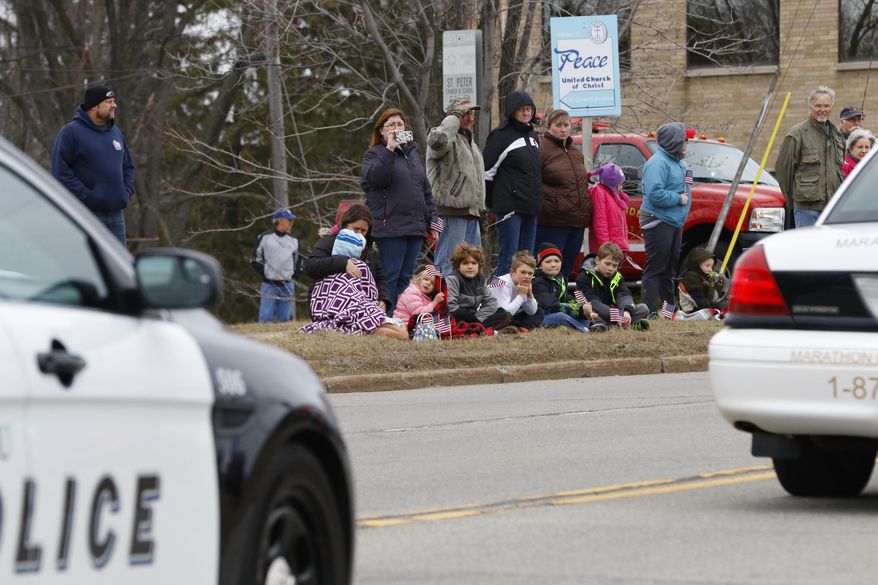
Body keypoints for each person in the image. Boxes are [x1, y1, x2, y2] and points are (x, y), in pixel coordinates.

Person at [362, 108, 438, 313]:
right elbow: (375, 179)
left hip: (415, 227)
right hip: (390, 226)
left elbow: (425, 190)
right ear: (381, 131)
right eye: (391, 125)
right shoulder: (374, 155)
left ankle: (401, 320)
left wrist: (433, 220)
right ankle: (384, 319)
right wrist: (389, 150)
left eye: (400, 124)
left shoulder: (412, 155)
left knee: (406, 277)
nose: (397, 129)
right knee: (390, 275)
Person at [302, 204, 406, 338]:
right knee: (400, 335)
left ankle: (363, 330)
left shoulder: (369, 251)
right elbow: (311, 267)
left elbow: (380, 278)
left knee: (402, 334)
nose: (359, 233)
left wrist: (384, 299)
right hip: (331, 308)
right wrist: (343, 263)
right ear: (344, 224)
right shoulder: (329, 242)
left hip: (364, 306)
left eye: (363, 230)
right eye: (355, 229)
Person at [51, 84, 135, 245]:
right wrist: (88, 196)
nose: (114, 105)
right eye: (109, 102)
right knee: (91, 266)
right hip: (87, 215)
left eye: (114, 101)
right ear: (94, 106)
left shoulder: (116, 133)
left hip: (117, 216)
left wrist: (126, 191)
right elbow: (60, 172)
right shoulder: (71, 133)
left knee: (117, 267)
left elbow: (129, 166)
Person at [483, 90, 542, 276]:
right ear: (512, 111)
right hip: (509, 207)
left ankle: (523, 301)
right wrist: (492, 203)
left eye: (529, 109)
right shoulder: (500, 136)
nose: (526, 113)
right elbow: (486, 172)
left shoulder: (533, 136)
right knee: (509, 258)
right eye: (521, 110)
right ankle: (501, 301)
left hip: (530, 206)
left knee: (527, 259)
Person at [426, 97, 486, 276]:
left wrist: (481, 209)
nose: (470, 118)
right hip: (450, 211)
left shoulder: (469, 140)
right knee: (447, 265)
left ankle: (466, 303)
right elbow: (437, 143)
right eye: (464, 113)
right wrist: (452, 119)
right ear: (452, 116)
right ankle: (442, 301)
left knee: (472, 267)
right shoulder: (442, 136)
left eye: (471, 113)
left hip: (471, 213)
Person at [639, 121, 692, 313]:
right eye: (684, 139)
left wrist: (683, 210)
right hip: (657, 219)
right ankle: (650, 310)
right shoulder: (657, 163)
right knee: (656, 267)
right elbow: (654, 193)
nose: (687, 142)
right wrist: (678, 199)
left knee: (670, 269)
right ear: (674, 142)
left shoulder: (680, 163)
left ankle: (669, 310)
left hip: (674, 222)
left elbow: (686, 188)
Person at [775, 86, 845, 229]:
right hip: (806, 209)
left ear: (831, 108)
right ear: (810, 107)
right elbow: (783, 170)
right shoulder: (797, 134)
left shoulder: (837, 135)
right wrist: (794, 201)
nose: (822, 109)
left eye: (826, 106)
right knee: (808, 249)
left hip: (832, 208)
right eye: (818, 105)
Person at [536, 109, 592, 277]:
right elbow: (533, 183)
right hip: (552, 222)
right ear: (549, 127)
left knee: (566, 268)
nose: (563, 129)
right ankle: (545, 302)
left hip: (576, 221)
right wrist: (551, 203)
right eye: (558, 125)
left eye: (566, 125)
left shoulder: (575, 152)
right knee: (549, 270)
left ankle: (562, 302)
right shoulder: (541, 149)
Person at [576, 242, 650, 330]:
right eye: (607, 264)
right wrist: (619, 315)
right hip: (595, 311)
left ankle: (615, 325)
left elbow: (624, 295)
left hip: (614, 312)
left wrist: (627, 311)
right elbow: (593, 302)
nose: (611, 268)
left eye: (615, 265)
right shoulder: (583, 277)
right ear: (597, 260)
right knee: (591, 313)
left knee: (643, 308)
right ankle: (623, 325)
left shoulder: (617, 276)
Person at [532, 243, 601, 333]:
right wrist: (579, 310)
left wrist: (582, 307)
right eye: (548, 261)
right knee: (562, 316)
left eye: (557, 261)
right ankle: (586, 330)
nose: (553, 265)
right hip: (540, 317)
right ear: (540, 265)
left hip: (555, 312)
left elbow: (566, 297)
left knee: (584, 315)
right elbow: (551, 305)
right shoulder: (537, 281)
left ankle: (587, 325)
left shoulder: (560, 278)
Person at [444, 242, 512, 330]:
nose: (470, 267)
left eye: (474, 263)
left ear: (479, 265)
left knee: (504, 314)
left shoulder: (480, 279)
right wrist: (471, 319)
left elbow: (490, 302)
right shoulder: (452, 279)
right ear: (458, 266)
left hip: (474, 317)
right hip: (456, 318)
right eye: (465, 263)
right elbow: (450, 307)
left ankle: (477, 327)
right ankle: (477, 328)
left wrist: (477, 319)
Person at [250, 208, 300, 324]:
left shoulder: (294, 240)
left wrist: (295, 274)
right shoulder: (265, 237)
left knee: (284, 320)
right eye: (289, 220)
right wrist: (266, 272)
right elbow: (254, 259)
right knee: (265, 319)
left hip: (287, 284)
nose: (292, 223)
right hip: (269, 284)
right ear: (280, 221)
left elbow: (298, 260)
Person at [487, 250, 543, 331]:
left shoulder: (522, 283)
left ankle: (521, 328)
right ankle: (515, 328)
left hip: (507, 316)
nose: (527, 276)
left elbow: (532, 311)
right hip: (489, 317)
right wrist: (521, 296)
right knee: (504, 315)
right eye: (523, 272)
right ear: (512, 272)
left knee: (539, 312)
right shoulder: (501, 282)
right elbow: (506, 312)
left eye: (530, 273)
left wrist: (530, 295)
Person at [588, 162, 630, 255]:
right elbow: (600, 224)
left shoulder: (615, 196)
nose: (622, 186)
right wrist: (606, 249)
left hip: (615, 248)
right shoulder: (600, 193)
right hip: (607, 250)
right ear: (613, 184)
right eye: (620, 183)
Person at [677, 247, 727, 313]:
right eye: (707, 265)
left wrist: (719, 283)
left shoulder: (704, 275)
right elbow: (699, 299)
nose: (710, 269)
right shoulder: (690, 277)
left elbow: (713, 295)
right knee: (724, 308)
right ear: (697, 264)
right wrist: (710, 312)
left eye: (711, 266)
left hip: (706, 305)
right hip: (692, 311)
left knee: (729, 306)